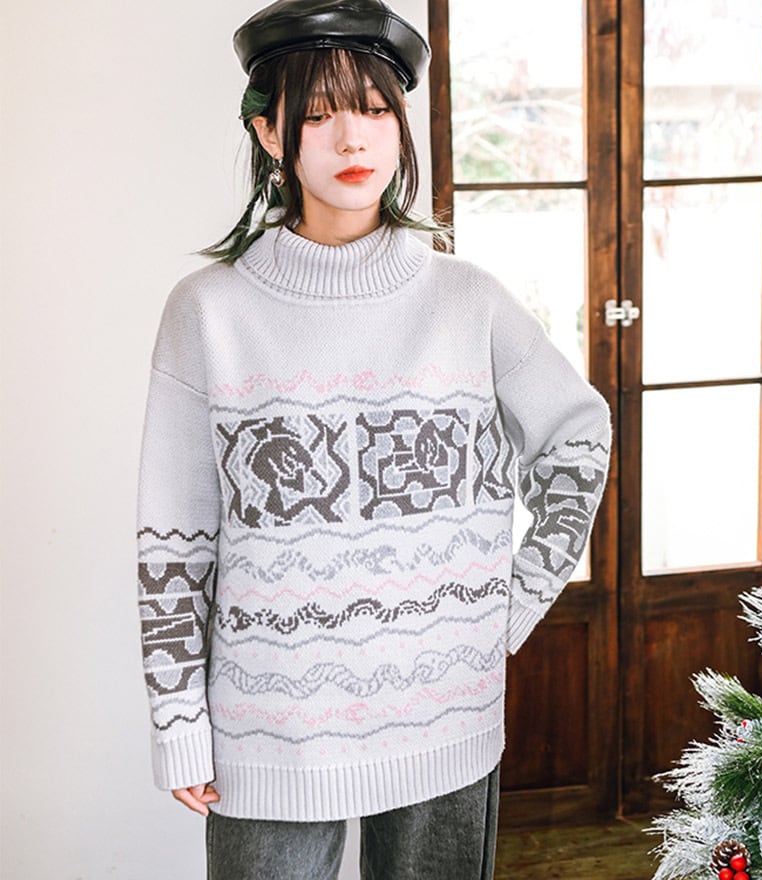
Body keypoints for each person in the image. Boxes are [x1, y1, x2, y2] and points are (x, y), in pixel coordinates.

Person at [136, 1, 612, 877]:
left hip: (447, 716)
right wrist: (178, 719)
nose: (351, 137)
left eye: (374, 108)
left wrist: (514, 600)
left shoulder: (469, 301)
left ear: (400, 125)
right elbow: (175, 535)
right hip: (269, 733)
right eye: (318, 114)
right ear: (269, 133)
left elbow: (577, 435)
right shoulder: (208, 313)